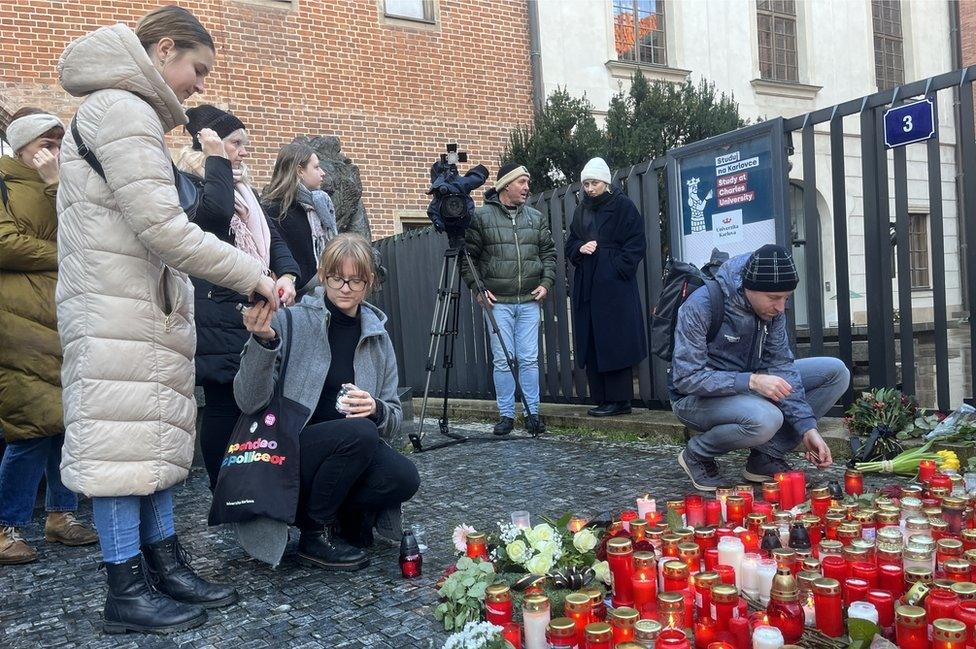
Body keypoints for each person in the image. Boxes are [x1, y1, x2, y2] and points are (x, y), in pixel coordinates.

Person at [56, 6, 278, 634]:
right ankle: (126, 587)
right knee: (121, 450)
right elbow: (163, 229)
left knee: (145, 440)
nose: (200, 85)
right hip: (117, 309)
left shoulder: (122, 113)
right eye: (197, 69)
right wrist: (253, 274)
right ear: (165, 50)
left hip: (130, 306)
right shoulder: (122, 111)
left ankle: (161, 563)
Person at [235, 233, 420, 570]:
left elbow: (394, 417)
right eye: (337, 277)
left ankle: (339, 515)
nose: (345, 287)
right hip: (289, 449)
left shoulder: (378, 337)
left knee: (403, 476)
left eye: (356, 279)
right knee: (360, 434)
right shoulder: (291, 320)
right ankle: (313, 534)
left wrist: (376, 408)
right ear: (322, 275)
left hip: (349, 451)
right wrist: (263, 343)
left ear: (370, 282)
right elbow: (248, 400)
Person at [174, 105, 300, 490]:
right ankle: (222, 487)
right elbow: (213, 217)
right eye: (235, 143)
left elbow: (272, 238)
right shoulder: (186, 182)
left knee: (255, 399)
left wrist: (289, 273)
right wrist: (216, 164)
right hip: (215, 308)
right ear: (209, 141)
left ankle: (249, 480)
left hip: (252, 306)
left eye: (245, 143)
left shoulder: (244, 187)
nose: (244, 151)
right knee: (223, 401)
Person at [0, 107, 98, 565]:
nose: (54, 152)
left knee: (69, 423)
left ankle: (61, 516)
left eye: (59, 144)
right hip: (18, 319)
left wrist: (58, 179)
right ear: (22, 147)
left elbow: (85, 229)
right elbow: (5, 243)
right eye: (46, 144)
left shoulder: (61, 181)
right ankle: (8, 525)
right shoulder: (3, 182)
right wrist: (62, 254)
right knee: (29, 429)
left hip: (66, 314)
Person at [670, 244, 850, 491]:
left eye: (786, 298)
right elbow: (686, 377)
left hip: (749, 387)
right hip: (695, 398)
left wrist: (808, 428)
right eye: (774, 298)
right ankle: (696, 454)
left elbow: (781, 366)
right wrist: (751, 381)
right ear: (747, 288)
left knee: (835, 372)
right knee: (767, 418)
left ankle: (765, 457)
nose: (781, 307)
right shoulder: (701, 304)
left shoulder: (772, 312)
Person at [461, 162, 556, 436]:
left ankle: (532, 413)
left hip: (529, 300)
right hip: (497, 303)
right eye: (522, 182)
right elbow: (469, 259)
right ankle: (506, 415)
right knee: (503, 359)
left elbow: (549, 254)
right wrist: (478, 289)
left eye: (528, 182)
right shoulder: (481, 218)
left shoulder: (536, 218)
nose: (527, 188)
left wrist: (546, 283)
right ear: (506, 186)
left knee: (529, 359)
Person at [565, 157, 646, 417]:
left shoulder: (623, 206)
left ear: (606, 182)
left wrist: (616, 268)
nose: (589, 188)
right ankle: (601, 397)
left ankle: (619, 400)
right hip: (589, 281)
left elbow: (636, 242)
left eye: (594, 183)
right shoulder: (581, 209)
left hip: (613, 286)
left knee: (614, 339)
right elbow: (571, 242)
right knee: (593, 338)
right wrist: (580, 247)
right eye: (586, 183)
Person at [261, 141, 335, 296]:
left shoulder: (319, 207)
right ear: (300, 171)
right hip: (293, 300)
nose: (323, 173)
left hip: (326, 295)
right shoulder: (273, 210)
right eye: (316, 167)